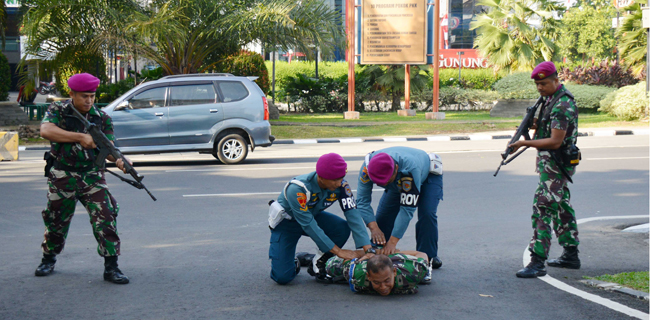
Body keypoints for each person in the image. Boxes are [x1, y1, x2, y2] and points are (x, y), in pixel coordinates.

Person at [35, 73, 131, 284]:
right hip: (63, 174)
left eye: (92, 96)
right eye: (84, 96)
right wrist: (80, 137)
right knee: (56, 220)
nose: (89, 101)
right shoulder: (59, 110)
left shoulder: (102, 117)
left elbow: (109, 146)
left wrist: (121, 160)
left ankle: (111, 267)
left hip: (92, 176)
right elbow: (45, 130)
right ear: (72, 94)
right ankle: (48, 259)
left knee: (106, 216)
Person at [509, 61, 580, 278]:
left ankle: (537, 261)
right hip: (552, 166)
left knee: (542, 209)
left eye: (544, 83)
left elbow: (556, 141)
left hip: (556, 166)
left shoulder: (562, 105)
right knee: (561, 208)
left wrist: (524, 143)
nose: (540, 88)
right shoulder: (551, 100)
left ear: (556, 80)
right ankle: (571, 254)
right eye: (537, 84)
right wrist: (535, 124)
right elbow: (550, 128)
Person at [268, 153, 376, 285]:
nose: (339, 183)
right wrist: (338, 251)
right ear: (321, 177)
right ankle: (294, 261)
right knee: (282, 277)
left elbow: (353, 214)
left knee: (341, 228)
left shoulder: (341, 185)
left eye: (341, 178)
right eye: (334, 180)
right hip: (288, 224)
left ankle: (319, 261)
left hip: (312, 217)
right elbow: (307, 224)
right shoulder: (298, 188)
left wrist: (368, 250)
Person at [356, 147, 443, 279]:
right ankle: (379, 260)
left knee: (427, 214)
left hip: (427, 177)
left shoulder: (409, 168)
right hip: (397, 183)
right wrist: (373, 227)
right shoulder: (367, 167)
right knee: (383, 219)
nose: (383, 185)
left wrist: (392, 242)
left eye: (386, 182)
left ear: (395, 169)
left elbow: (407, 209)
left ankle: (427, 260)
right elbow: (362, 201)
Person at [322, 250, 429, 295]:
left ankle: (382, 253)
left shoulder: (414, 271)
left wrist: (388, 252)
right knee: (329, 266)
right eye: (377, 282)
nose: (383, 287)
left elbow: (421, 254)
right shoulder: (357, 273)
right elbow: (347, 259)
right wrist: (368, 252)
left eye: (387, 280)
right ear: (369, 276)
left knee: (386, 252)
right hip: (361, 260)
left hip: (394, 258)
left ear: (394, 272)